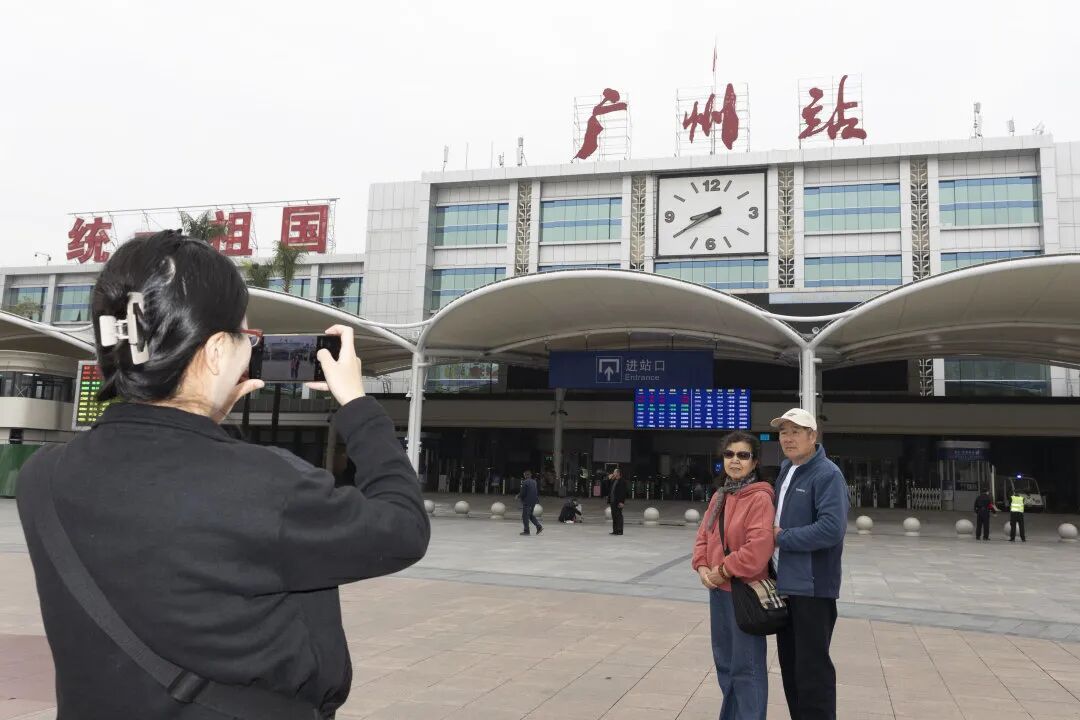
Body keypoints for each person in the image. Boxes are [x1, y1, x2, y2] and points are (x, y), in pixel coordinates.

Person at [16, 232, 431, 719]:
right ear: (216, 351)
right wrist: (358, 406)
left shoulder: (42, 476)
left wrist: (201, 416)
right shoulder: (268, 485)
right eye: (245, 337)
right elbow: (403, 528)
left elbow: (162, 491)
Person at [770, 408, 849, 720]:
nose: (788, 438)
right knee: (791, 668)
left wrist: (782, 537)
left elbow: (832, 529)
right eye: (783, 432)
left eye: (795, 431)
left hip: (813, 589)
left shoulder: (827, 474)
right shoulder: (787, 469)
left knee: (812, 671)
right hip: (786, 584)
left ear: (812, 436)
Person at [691, 432, 775, 720]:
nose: (735, 460)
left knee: (747, 667)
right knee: (725, 663)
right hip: (718, 592)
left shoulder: (760, 498)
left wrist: (723, 571)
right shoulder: (720, 496)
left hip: (744, 594)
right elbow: (704, 536)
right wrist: (702, 566)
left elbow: (759, 547)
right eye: (729, 454)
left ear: (755, 462)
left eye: (743, 455)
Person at [518, 470, 542, 536]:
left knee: (525, 516)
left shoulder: (525, 482)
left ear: (525, 475)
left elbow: (523, 493)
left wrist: (519, 496)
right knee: (530, 515)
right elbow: (535, 491)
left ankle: (526, 531)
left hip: (527, 501)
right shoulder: (534, 482)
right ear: (530, 475)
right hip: (533, 501)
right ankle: (538, 526)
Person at [607, 467, 626, 535]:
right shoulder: (613, 480)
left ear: (618, 473)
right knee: (614, 516)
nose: (613, 473)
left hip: (618, 501)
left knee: (619, 516)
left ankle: (620, 530)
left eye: (614, 472)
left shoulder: (622, 481)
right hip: (612, 501)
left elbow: (623, 493)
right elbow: (607, 488)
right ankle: (615, 530)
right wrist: (609, 479)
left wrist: (622, 502)